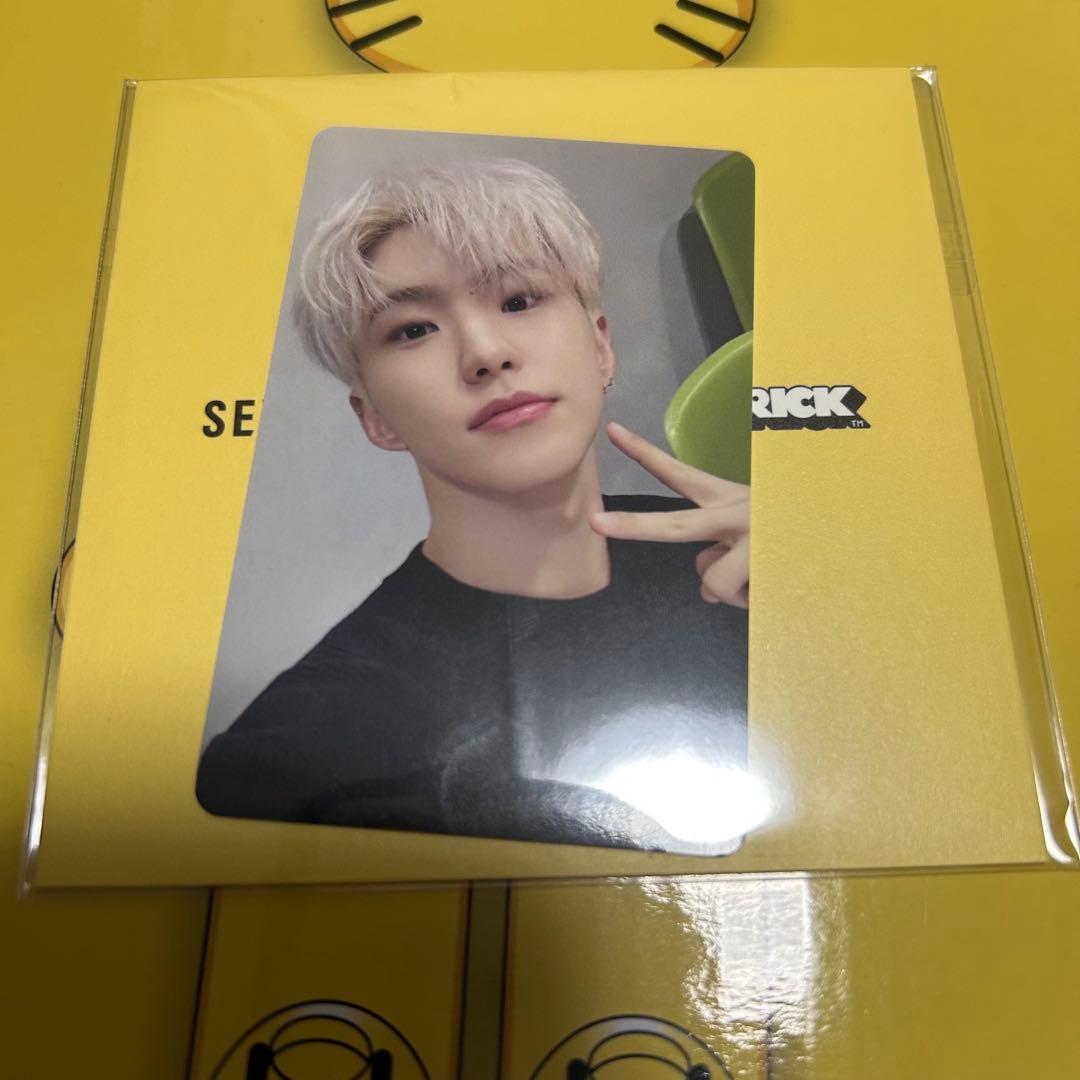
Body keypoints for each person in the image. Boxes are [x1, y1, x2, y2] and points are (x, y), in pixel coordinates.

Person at [196, 159, 751, 854]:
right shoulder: (298, 756)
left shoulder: (747, 558)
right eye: (412, 330)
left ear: (601, 347)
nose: (487, 353)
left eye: (518, 301)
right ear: (376, 418)